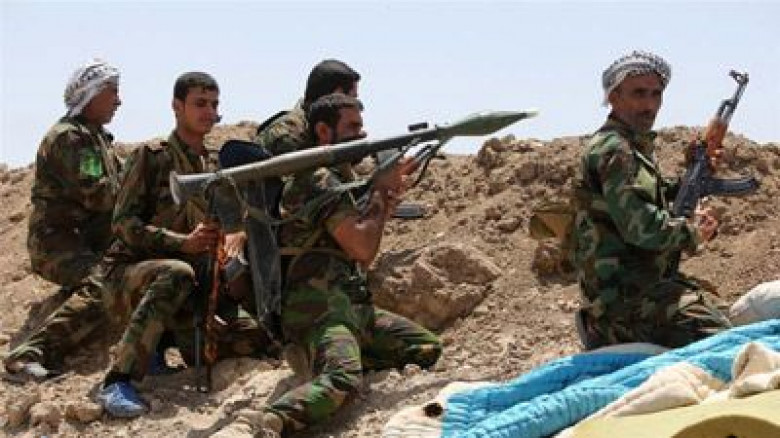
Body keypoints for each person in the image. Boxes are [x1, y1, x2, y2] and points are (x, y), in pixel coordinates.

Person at [212, 93, 442, 438]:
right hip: (319, 311)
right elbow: (362, 248)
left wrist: (384, 197)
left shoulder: (339, 179)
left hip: (351, 306)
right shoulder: (313, 180)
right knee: (343, 380)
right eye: (352, 127)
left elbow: (363, 242)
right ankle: (265, 422)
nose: (362, 135)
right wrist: (380, 192)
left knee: (425, 348)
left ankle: (324, 360)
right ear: (323, 131)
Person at [95, 72, 277, 418]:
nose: (209, 111)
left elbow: (230, 222)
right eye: (200, 103)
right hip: (130, 279)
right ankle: (118, 380)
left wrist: (235, 238)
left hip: (192, 285)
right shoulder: (152, 157)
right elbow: (123, 224)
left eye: (214, 104)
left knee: (256, 337)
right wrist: (182, 243)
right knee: (176, 272)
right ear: (177, 107)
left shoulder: (215, 165)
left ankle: (165, 342)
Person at [571, 50, 732, 349]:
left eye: (656, 94)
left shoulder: (631, 146)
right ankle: (606, 333)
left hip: (644, 288)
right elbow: (642, 228)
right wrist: (693, 231)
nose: (649, 105)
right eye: (639, 93)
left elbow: (650, 195)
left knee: (733, 322)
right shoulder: (615, 150)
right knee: (725, 342)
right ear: (613, 97)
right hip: (623, 302)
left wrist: (695, 176)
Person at [3, 59, 122, 379]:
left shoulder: (97, 138)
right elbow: (100, 195)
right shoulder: (69, 138)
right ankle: (29, 354)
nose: (118, 101)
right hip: (57, 244)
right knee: (105, 285)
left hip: (86, 239)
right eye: (112, 92)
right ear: (92, 94)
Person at [254, 58, 360, 155]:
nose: (354, 104)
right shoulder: (289, 134)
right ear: (337, 94)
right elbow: (307, 169)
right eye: (352, 98)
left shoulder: (311, 125)